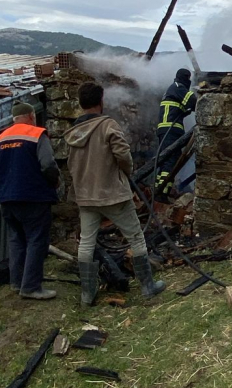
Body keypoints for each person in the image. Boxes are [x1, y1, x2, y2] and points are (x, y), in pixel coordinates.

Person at [65, 81, 165, 306]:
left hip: (86, 196)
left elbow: (72, 166)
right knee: (136, 236)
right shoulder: (108, 125)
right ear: (101, 101)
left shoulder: (73, 132)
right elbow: (123, 156)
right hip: (112, 193)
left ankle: (87, 295)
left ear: (81, 103)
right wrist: (126, 174)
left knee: (86, 242)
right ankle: (148, 287)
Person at [0, 102, 59, 300]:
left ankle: (17, 282)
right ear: (31, 116)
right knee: (37, 239)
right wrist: (54, 182)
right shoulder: (37, 134)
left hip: (7, 200)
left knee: (16, 239)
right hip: (34, 197)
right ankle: (31, 287)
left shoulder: (0, 139)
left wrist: (1, 195)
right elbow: (48, 164)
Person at [155, 67, 197, 196]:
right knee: (170, 161)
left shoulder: (173, 89)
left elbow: (181, 108)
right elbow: (192, 101)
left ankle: (158, 190)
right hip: (170, 130)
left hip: (167, 130)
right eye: (188, 78)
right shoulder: (178, 87)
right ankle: (162, 193)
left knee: (167, 161)